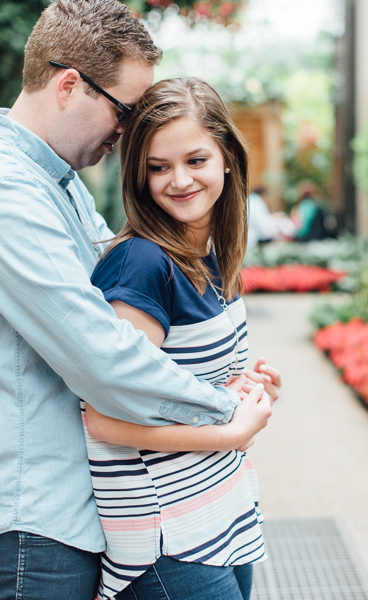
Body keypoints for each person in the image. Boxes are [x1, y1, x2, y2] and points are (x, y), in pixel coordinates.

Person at [0, 2, 278, 599]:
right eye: (124, 110)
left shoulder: (53, 183)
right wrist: (227, 414)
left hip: (62, 513)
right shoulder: (1, 191)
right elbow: (104, 356)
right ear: (70, 84)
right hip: (27, 523)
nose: (127, 133)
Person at [82, 78, 281, 600]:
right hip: (167, 539)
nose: (179, 181)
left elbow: (183, 386)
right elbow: (105, 417)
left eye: (196, 160)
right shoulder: (142, 263)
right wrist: (232, 432)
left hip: (221, 508)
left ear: (227, 159)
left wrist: (243, 390)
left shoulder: (212, 252)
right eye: (158, 167)